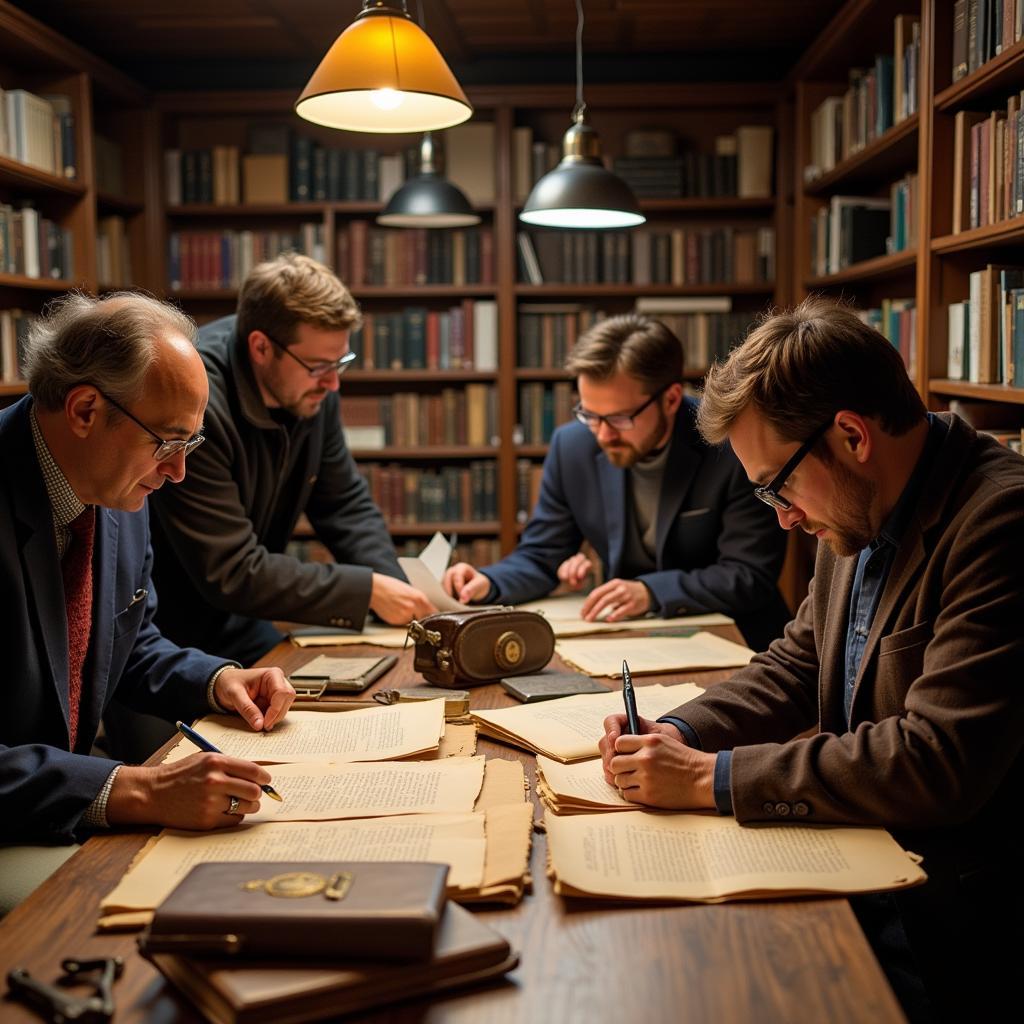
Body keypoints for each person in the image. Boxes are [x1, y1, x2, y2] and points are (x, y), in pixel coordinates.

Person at [599, 298, 1023, 1021]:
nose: (782, 517)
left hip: (954, 924)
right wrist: (682, 732)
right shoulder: (859, 508)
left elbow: (937, 759)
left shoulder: (1000, 523)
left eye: (777, 485)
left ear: (852, 435)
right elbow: (797, 663)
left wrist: (713, 779)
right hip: (859, 861)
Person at [0, 292, 295, 915]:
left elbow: (130, 645)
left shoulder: (118, 488)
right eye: (168, 440)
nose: (180, 471)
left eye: (192, 440)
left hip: (65, 801)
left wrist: (218, 680)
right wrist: (131, 788)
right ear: (84, 409)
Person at [148, 253, 434, 667]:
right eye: (320, 366)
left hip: (241, 621)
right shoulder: (197, 402)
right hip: (166, 638)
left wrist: (399, 589)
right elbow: (231, 569)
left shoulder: (312, 391)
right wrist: (368, 591)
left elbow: (344, 504)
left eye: (341, 363)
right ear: (261, 347)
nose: (334, 383)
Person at [443, 313, 790, 652]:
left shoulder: (730, 444)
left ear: (670, 400)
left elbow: (748, 575)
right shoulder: (572, 446)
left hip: (737, 644)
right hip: (626, 641)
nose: (602, 435)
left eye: (619, 418)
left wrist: (651, 592)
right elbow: (541, 555)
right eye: (589, 415)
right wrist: (489, 582)